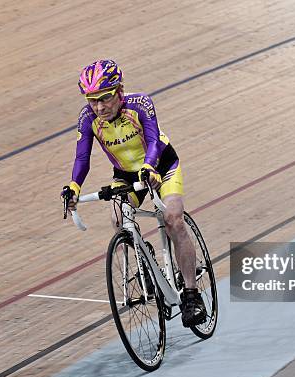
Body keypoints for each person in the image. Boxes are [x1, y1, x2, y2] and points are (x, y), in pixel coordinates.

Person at [64, 59, 206, 327]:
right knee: (118, 220)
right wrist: (74, 186)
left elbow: (152, 139)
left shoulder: (140, 104)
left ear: (119, 91)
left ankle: (191, 295)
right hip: (126, 175)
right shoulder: (88, 118)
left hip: (160, 165)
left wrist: (150, 167)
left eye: (105, 98)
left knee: (173, 219)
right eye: (92, 100)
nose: (99, 107)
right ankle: (147, 261)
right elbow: (82, 157)